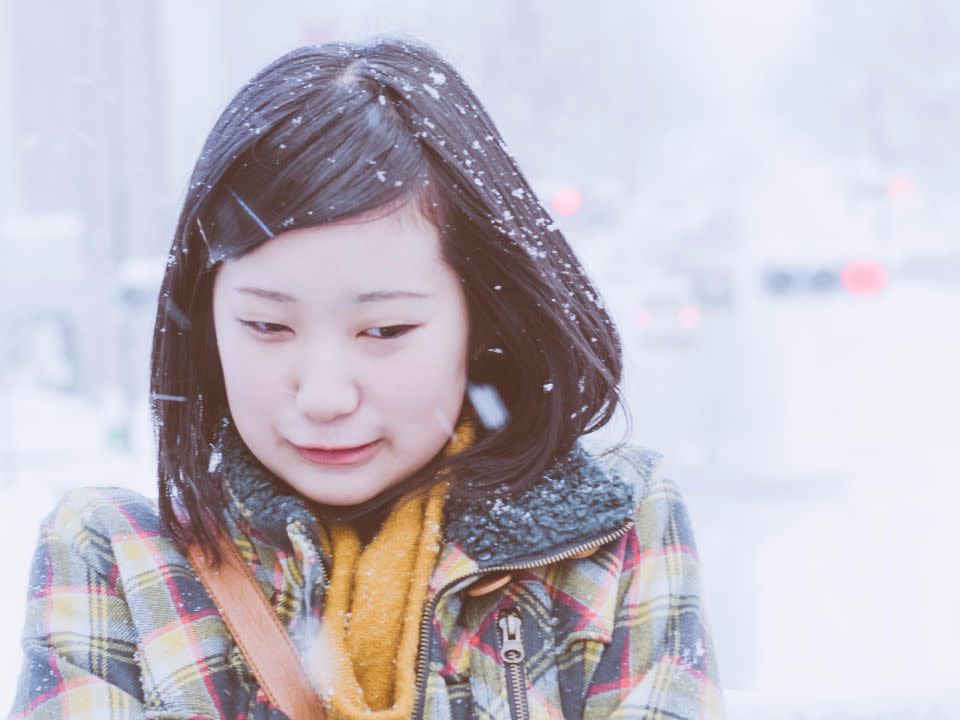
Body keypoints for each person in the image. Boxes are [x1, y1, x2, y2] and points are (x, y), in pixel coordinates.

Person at [11, 37, 723, 719]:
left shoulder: (611, 533)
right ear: (206, 328)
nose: (324, 397)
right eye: (268, 327)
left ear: (481, 322)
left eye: (384, 332)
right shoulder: (119, 562)